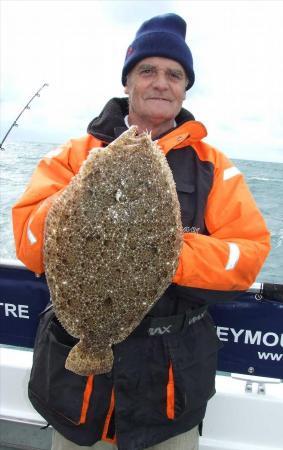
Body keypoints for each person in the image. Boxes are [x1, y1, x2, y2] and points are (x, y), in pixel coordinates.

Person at [12, 13, 270, 450]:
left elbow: (247, 256)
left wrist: (157, 252)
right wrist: (78, 203)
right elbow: (29, 243)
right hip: (76, 394)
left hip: (166, 391)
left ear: (186, 87)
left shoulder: (215, 168)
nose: (160, 82)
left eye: (174, 74)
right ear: (127, 81)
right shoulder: (76, 155)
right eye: (147, 70)